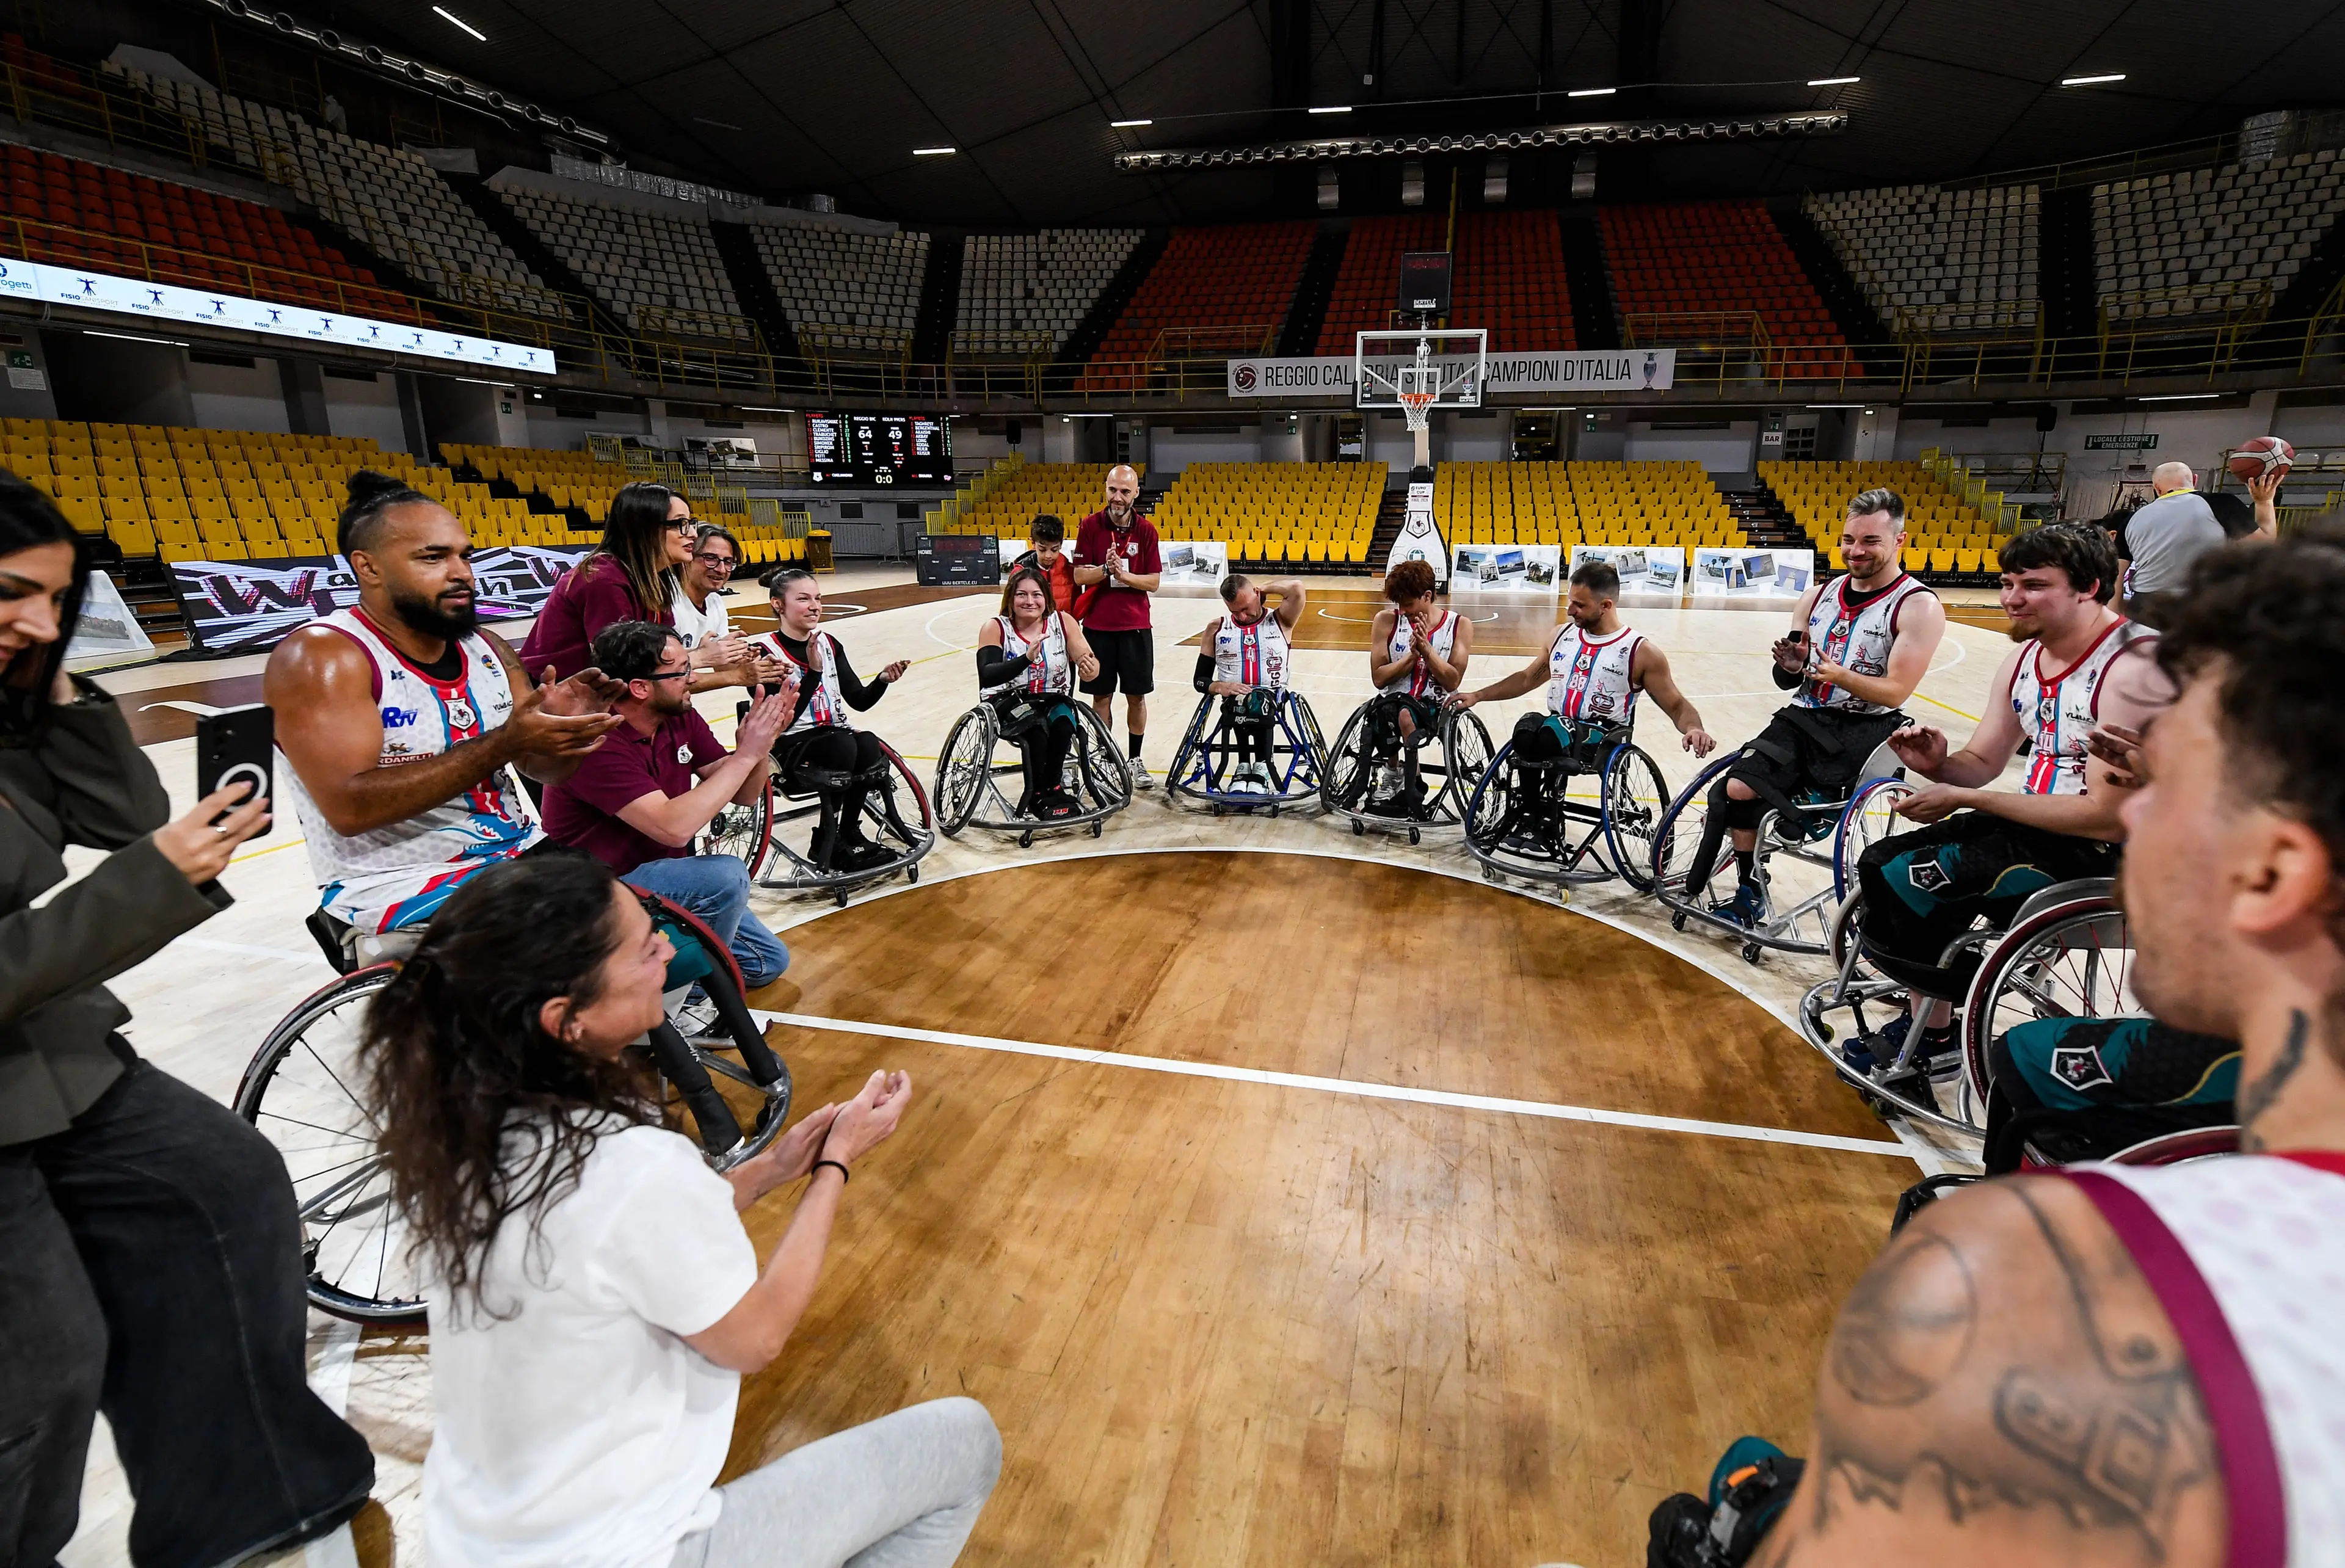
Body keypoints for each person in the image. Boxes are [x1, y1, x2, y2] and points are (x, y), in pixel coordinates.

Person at [1743, 529, 2345, 1567]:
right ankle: (1928, 1013)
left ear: (2272, 871)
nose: (2135, 809)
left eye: (2169, 783)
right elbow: (1987, 760)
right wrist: (1959, 773)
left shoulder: (2048, 1281)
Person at [360, 854, 1001, 1568]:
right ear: (566, 1019)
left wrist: (773, 1169)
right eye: (644, 946)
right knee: (966, 1444)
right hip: (621, 1553)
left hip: (477, 1543)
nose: (667, 947)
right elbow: (754, 1339)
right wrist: (835, 1165)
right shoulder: (627, 1163)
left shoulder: (468, 1137)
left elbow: (624, 1243)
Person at [0, 474, 376, 1566]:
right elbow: (131, 858)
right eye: (15, 593)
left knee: (225, 1186)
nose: (34, 620)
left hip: (52, 1057)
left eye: (55, 601)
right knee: (41, 1371)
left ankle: (244, 1499)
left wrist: (55, 679)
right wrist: (149, 883)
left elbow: (119, 811)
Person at [1849, 523, 2169, 1078]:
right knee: (1879, 864)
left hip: (2109, 855)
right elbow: (1980, 764)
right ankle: (1944, 1015)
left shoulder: (2133, 667)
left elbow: (2105, 819)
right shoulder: (2023, 660)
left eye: (2033, 585)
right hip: (2042, 832)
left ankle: (1951, 1017)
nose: (2012, 599)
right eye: (2007, 583)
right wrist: (1939, 767)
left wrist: (1970, 799)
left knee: (1914, 882)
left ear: (2089, 588)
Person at [267, 471, 622, 956]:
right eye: (433, 558)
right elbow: (349, 809)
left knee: (659, 934)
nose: (463, 573)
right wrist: (505, 742)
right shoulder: (325, 658)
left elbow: (542, 771)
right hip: (396, 882)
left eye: (465, 555)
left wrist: (566, 734)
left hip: (514, 852)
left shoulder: (487, 646)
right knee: (602, 953)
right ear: (368, 568)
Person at [1693, 488, 1945, 929]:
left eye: (1871, 541)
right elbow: (1790, 677)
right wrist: (1792, 667)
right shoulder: (1816, 596)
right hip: (1804, 717)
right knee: (1737, 788)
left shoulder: (1918, 606)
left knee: (1783, 803)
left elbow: (1896, 691)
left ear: (1900, 541)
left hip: (1864, 728)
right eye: (1849, 540)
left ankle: (1802, 816)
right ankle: (1750, 890)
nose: (1856, 550)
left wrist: (1839, 675)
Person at [542, 620, 793, 987]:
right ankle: (684, 1001)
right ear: (641, 688)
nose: (692, 679)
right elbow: (673, 829)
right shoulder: (597, 740)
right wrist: (745, 756)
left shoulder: (679, 716)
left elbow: (743, 794)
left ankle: (674, 976)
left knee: (767, 961)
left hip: (658, 880)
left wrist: (760, 748)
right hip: (601, 893)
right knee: (724, 878)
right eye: (682, 671)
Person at [1452, 559, 1715, 831]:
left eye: (1579, 605)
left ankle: (1549, 823)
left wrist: (1694, 728)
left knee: (1550, 733)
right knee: (1527, 727)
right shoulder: (1561, 635)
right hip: (1558, 726)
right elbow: (1528, 678)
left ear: (1606, 606)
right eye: (1570, 602)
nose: (1570, 611)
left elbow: (1676, 704)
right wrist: (1478, 695)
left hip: (1602, 738)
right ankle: (1530, 813)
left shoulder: (1640, 652)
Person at [748, 568, 911, 871]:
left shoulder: (830, 644)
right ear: (778, 604)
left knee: (866, 741)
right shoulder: (762, 654)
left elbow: (858, 702)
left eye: (818, 599)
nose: (814, 606)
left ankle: (849, 830)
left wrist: (882, 680)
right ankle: (828, 838)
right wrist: (813, 673)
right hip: (788, 745)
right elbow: (781, 720)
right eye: (803, 599)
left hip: (835, 737)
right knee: (843, 744)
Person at [522, 482, 751, 695]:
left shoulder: (654, 579)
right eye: (681, 524)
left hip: (595, 691)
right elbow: (618, 668)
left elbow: (654, 658)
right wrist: (700, 658)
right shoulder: (603, 579)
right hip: (550, 696)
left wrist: (709, 657)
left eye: (690, 523)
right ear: (646, 529)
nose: (692, 533)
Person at [976, 564, 1101, 819]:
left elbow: (1088, 659)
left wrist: (1091, 668)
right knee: (1034, 729)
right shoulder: (996, 628)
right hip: (1007, 701)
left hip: (1052, 697)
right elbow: (987, 675)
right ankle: (1035, 793)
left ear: (1047, 598)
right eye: (1022, 594)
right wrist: (1026, 658)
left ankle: (1053, 786)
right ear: (1011, 598)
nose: (1029, 601)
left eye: (1036, 595)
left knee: (1065, 722)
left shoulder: (1063, 622)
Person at [1351, 558, 1474, 813]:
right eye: (1398, 604)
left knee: (1406, 715)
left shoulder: (1459, 625)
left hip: (1434, 706)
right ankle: (1390, 774)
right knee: (1382, 714)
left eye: (1408, 604)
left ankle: (1413, 784)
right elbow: (1379, 678)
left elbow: (1453, 680)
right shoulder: (1386, 621)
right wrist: (1411, 657)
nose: (1402, 610)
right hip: (1391, 703)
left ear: (1427, 596)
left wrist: (1427, 651)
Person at [1071, 464, 1162, 786]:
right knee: (1101, 698)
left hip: (1136, 627)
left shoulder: (1147, 530)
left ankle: (1135, 760)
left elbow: (1153, 583)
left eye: (1125, 491)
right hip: (1098, 628)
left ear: (1136, 493)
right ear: (1105, 489)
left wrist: (1124, 576)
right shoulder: (1090, 526)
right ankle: (1103, 759)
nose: (1118, 497)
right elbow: (1080, 575)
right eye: (1113, 490)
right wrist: (1106, 571)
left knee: (1136, 697)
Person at [1193, 573, 1304, 795]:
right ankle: (1243, 767)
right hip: (1233, 700)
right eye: (1235, 611)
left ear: (1256, 594)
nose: (1242, 616)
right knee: (1239, 702)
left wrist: (1264, 588)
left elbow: (1297, 588)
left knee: (1257, 703)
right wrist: (1219, 687)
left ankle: (1262, 766)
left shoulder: (1281, 619)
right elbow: (1200, 680)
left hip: (1271, 698)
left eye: (1245, 608)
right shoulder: (1216, 628)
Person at [673, 523, 784, 692]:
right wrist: (737, 676)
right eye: (710, 558)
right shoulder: (665, 602)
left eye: (728, 562)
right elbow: (663, 681)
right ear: (687, 556)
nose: (721, 569)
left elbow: (721, 666)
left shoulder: (715, 602)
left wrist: (748, 664)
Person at [2114, 460, 2226, 614]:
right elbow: (2261, 546)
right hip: (2200, 603)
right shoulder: (2221, 504)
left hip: (2146, 604)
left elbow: (2117, 573)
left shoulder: (2133, 519)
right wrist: (2264, 502)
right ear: (2194, 480)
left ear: (2157, 488)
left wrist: (2115, 616)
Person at [1008, 514, 1077, 614]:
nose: (1048, 555)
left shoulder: (1070, 571)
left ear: (1061, 544)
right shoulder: (1019, 572)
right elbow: (1009, 608)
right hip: (1029, 628)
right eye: (1042, 549)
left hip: (1062, 627)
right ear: (1033, 542)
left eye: (1054, 550)